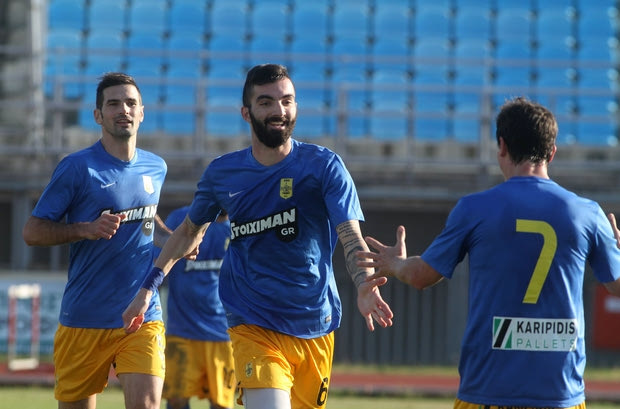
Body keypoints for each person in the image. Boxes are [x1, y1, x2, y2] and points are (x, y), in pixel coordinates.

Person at [122, 63, 394, 409]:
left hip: (314, 322)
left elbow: (351, 235)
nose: (279, 110)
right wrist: (148, 289)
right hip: (252, 323)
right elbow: (189, 231)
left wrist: (364, 283)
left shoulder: (324, 166)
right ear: (246, 112)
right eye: (266, 102)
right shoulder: (223, 173)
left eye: (287, 101)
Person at [356, 96, 620, 409]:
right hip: (560, 396)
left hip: (487, 392)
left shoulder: (474, 209)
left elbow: (420, 277)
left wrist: (397, 263)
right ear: (552, 152)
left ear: (502, 146)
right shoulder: (588, 213)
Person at [22, 72, 169, 409]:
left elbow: (149, 217)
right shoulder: (77, 167)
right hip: (85, 318)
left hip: (141, 315)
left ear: (142, 112)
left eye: (130, 103)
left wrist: (174, 239)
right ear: (98, 116)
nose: (123, 110)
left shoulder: (156, 166)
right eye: (113, 104)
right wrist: (85, 229)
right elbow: (32, 232)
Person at [160, 207, 236, 409]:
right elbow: (159, 260)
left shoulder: (240, 223)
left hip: (223, 333)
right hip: (182, 329)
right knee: (176, 400)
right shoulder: (181, 219)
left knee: (221, 404)